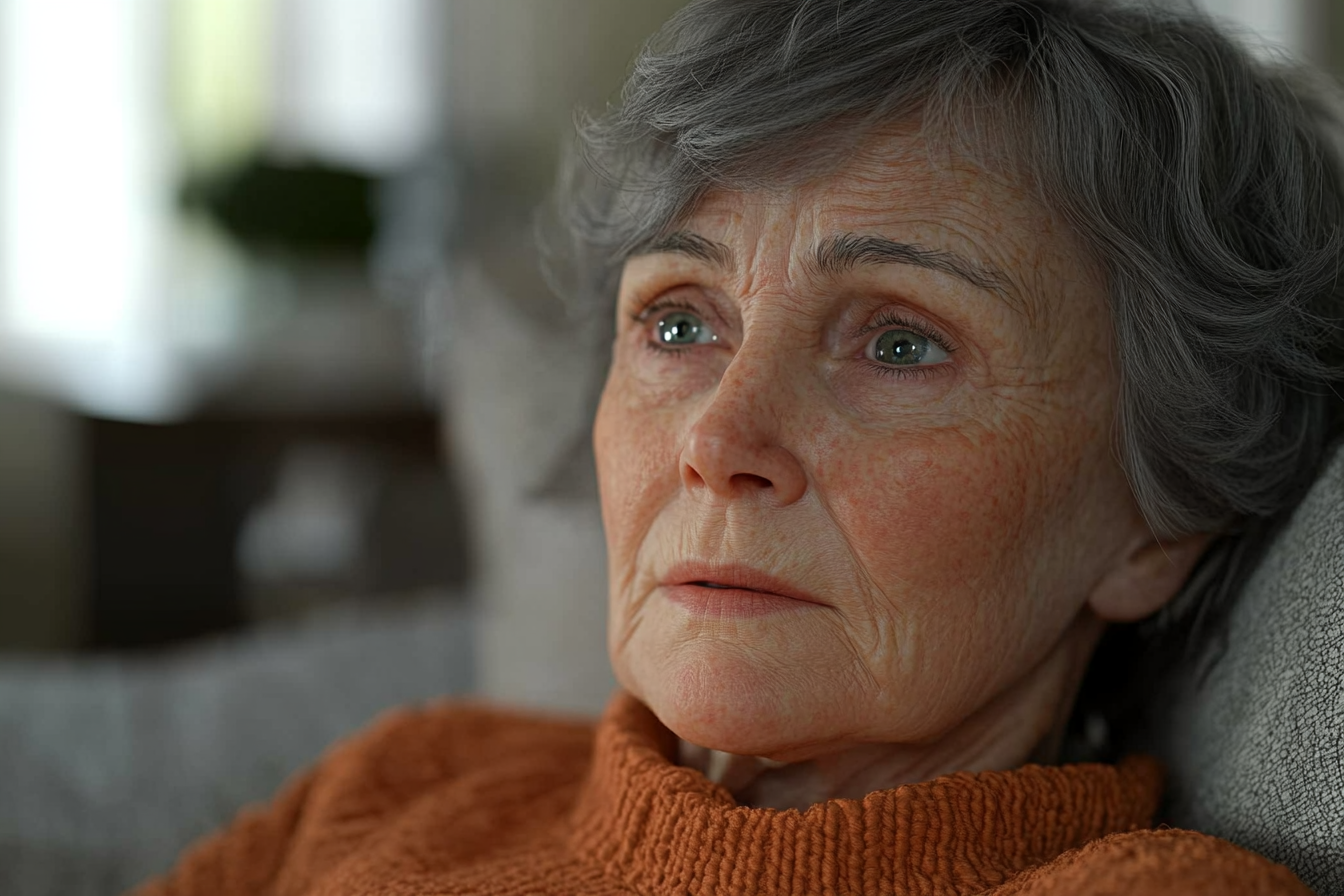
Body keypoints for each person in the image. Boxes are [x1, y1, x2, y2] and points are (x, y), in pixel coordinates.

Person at [133, 0, 1343, 893]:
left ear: (1155, 519)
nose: (718, 437)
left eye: (902, 346)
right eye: (677, 320)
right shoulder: (405, 776)